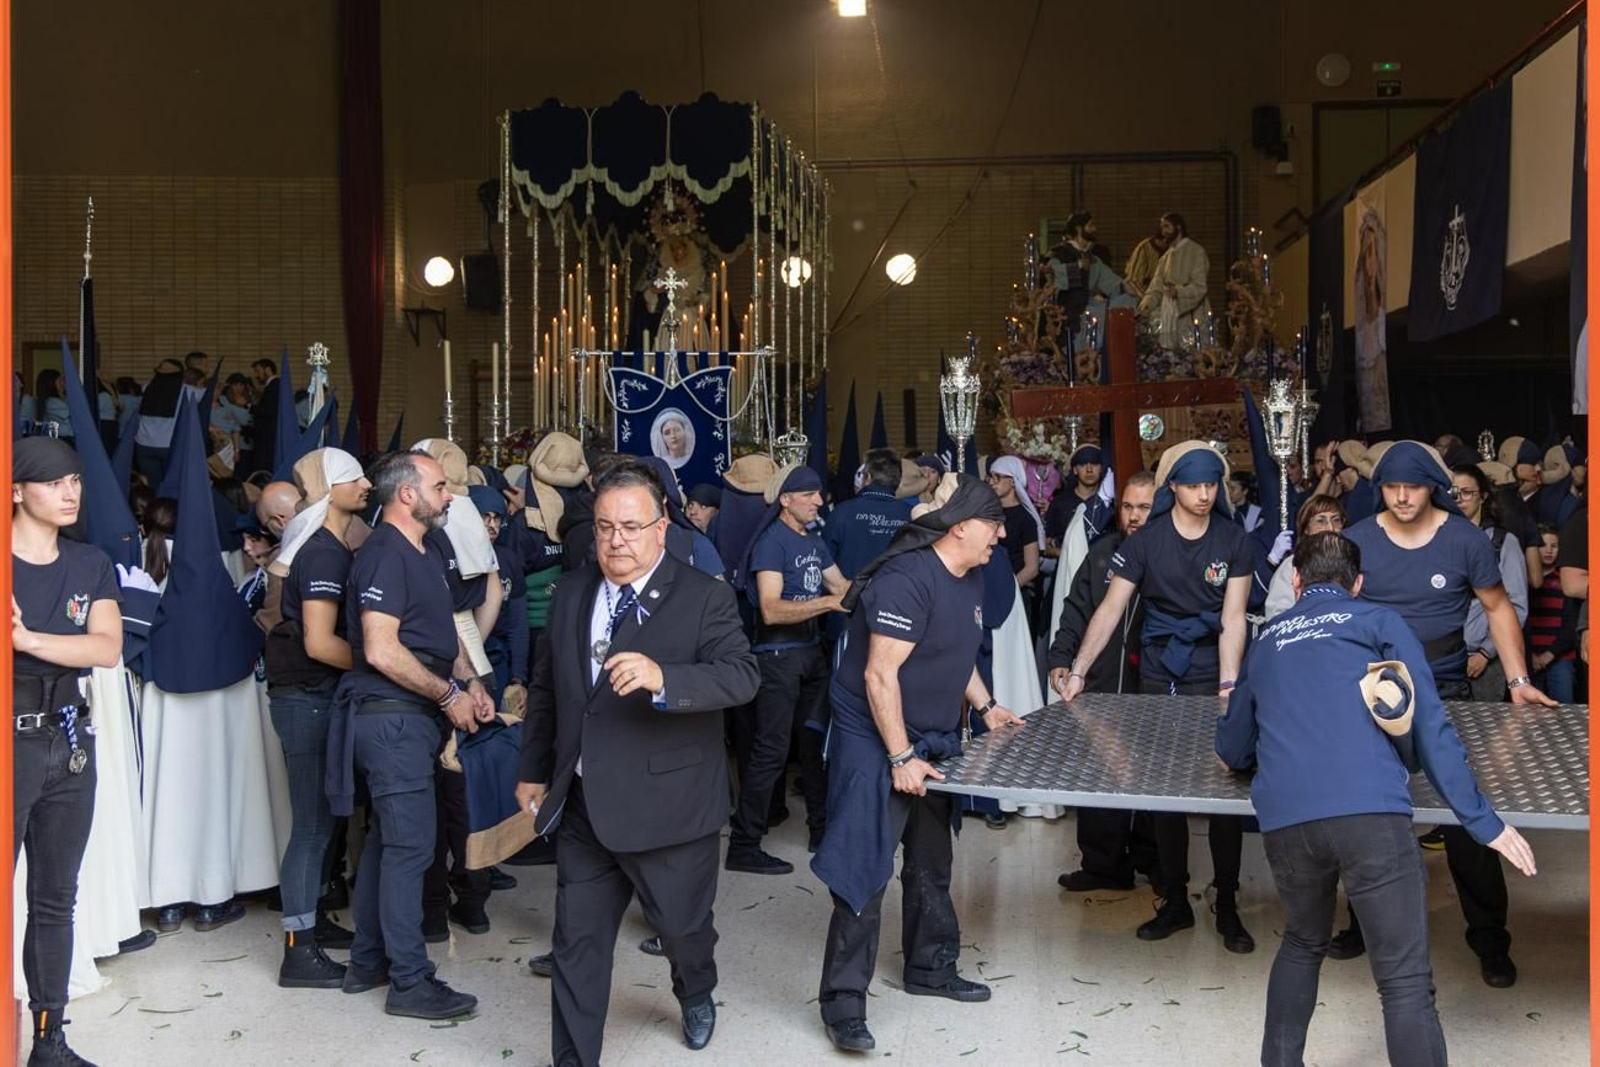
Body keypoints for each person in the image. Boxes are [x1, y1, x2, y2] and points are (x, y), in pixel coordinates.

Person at [1217, 531, 1538, 1067]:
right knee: (1404, 981)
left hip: (1286, 820)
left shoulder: (1268, 638)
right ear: (1358, 584)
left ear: (1296, 582)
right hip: (1369, 811)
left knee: (1302, 942)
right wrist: (1483, 822)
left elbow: (1233, 745)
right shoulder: (1378, 622)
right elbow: (1430, 724)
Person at [514, 460, 759, 1064]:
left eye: (629, 527)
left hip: (671, 810)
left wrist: (664, 678)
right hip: (584, 806)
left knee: (683, 931)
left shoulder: (704, 595)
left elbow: (742, 676)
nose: (615, 540)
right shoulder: (570, 592)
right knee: (577, 944)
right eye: (603, 528)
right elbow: (547, 690)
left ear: (661, 526)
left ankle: (696, 988)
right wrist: (533, 769)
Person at [812, 474, 1026, 1053]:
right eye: (994, 524)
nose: (1002, 535)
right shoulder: (907, 580)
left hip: (934, 737)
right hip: (874, 737)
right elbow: (878, 675)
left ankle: (930, 968)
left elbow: (958, 651)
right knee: (864, 868)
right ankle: (843, 1004)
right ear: (960, 527)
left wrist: (986, 707)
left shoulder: (972, 575)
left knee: (932, 858)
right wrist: (900, 755)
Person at [1340, 441, 1554, 986]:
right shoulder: (1357, 540)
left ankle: (1489, 939)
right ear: (1380, 489)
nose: (1403, 496)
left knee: (1466, 816)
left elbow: (1499, 607)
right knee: (1371, 817)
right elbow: (1335, 616)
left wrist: (1519, 680)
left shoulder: (1463, 538)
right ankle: (1362, 925)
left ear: (1432, 487)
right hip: (1374, 690)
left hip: (1449, 685)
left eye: (1412, 487)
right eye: (1392, 487)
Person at [1058, 441, 1256, 953]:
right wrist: (1078, 669)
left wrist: (1230, 686)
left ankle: (1228, 899)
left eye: (1211, 485)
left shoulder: (1234, 540)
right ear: (1174, 488)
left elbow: (1233, 619)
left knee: (1223, 790)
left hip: (1213, 668)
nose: (1204, 495)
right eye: (1193, 486)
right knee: (1164, 788)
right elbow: (1109, 609)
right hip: (1161, 667)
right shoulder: (1145, 542)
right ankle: (1174, 899)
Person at [326, 450, 494, 1020]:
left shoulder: (430, 549)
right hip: (391, 719)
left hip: (413, 717)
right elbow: (380, 648)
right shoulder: (381, 555)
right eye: (441, 486)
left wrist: (471, 683)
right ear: (406, 494)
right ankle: (410, 981)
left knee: (386, 844)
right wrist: (447, 694)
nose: (450, 495)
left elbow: (443, 634)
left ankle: (369, 961)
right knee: (412, 849)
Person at [12, 437, 124, 1067]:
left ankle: (48, 1041)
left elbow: (105, 648)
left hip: (68, 739)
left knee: (55, 897)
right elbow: (83, 643)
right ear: (16, 492)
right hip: (10, 741)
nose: (70, 491)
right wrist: (62, 642)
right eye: (54, 481)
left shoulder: (89, 562)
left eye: (75, 480)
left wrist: (28, 638)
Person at [262, 448, 369, 989]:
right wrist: (382, 663)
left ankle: (311, 925)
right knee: (310, 826)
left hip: (312, 697)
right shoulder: (324, 555)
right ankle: (298, 951)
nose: (367, 483)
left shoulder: (326, 547)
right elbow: (321, 643)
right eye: (353, 477)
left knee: (322, 822)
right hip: (307, 700)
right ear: (330, 490)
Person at [732, 464, 849, 868]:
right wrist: (826, 603)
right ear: (786, 500)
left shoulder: (814, 541)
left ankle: (821, 830)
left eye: (819, 493)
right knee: (772, 750)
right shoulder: (771, 543)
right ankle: (744, 846)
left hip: (812, 654)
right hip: (777, 659)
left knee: (815, 745)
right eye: (809, 495)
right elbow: (770, 610)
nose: (819, 500)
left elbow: (843, 588)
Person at [1048, 472, 1159, 892]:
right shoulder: (1101, 553)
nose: (1134, 516)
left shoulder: (1168, 552)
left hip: (1150, 682)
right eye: (1128, 506)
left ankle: (1154, 861)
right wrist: (1061, 657)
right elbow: (1075, 609)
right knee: (1096, 774)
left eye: (1144, 507)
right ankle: (1102, 866)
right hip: (1100, 681)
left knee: (1152, 775)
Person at [1451, 464, 1530, 703]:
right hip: (1443, 659)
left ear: (1483, 496)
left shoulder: (1502, 542)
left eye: (1467, 492)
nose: (1459, 499)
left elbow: (1516, 605)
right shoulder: (1437, 540)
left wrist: (1486, 653)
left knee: (1487, 734)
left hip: (1485, 660)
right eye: (1453, 493)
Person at [823, 447, 911, 585]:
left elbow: (824, 563)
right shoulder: (911, 515)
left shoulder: (841, 512)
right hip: (897, 601)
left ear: (868, 477)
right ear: (898, 481)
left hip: (849, 600)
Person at [1263, 495, 1345, 620]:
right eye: (1321, 521)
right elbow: (1277, 614)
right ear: (1307, 528)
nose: (1330, 528)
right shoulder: (1293, 564)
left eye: (1336, 520)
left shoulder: (1350, 561)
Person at [1136, 213, 1210, 351]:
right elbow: (1156, 286)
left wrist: (1178, 291)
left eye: (1167, 226)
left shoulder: (1196, 251)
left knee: (1191, 352)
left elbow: (1200, 286)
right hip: (1167, 313)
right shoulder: (1165, 258)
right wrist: (1147, 304)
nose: (1163, 231)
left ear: (1178, 227)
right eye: (1162, 227)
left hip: (1190, 313)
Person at [1527, 523, 1580, 703]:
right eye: (1543, 545)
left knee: (1564, 709)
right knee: (1530, 712)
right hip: (1530, 658)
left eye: (1554, 546)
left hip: (1560, 658)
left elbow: (1571, 624)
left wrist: (1549, 654)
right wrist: (1531, 654)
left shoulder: (1565, 580)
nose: (1548, 550)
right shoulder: (1525, 581)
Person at [985, 456, 1043, 591]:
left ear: (1012, 481)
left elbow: (1032, 568)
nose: (992, 482)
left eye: (997, 477)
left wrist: (1008, 590)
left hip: (1015, 592)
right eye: (990, 477)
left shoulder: (1025, 519)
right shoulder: (986, 514)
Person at [1122, 225, 1170, 297]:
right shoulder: (1144, 248)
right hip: (1137, 291)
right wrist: (1145, 297)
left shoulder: (1169, 250)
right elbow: (1134, 279)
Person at [34, 369, 72, 445]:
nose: (63, 384)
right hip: (65, 439)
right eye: (60, 381)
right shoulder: (52, 402)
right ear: (51, 383)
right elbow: (74, 415)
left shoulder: (54, 401)